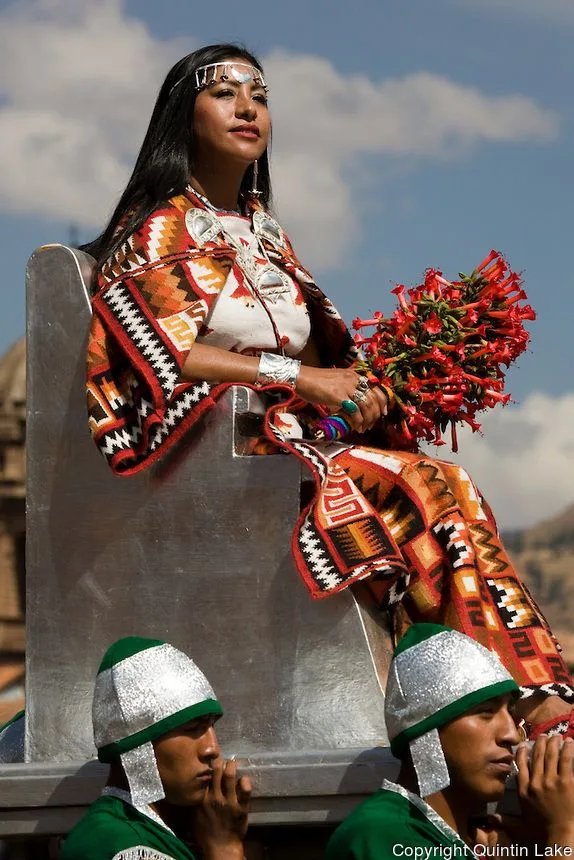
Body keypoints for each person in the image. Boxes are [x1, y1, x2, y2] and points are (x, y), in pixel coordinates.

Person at [84, 43, 573, 735]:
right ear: (182, 117)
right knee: (420, 490)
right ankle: (514, 701)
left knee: (449, 484)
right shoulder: (158, 230)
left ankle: (507, 687)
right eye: (223, 93)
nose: (247, 108)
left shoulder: (267, 236)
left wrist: (363, 390)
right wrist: (301, 378)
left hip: (294, 440)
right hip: (210, 460)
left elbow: (320, 357)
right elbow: (166, 356)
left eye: (259, 95)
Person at [324, 623, 574, 860]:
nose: (511, 734)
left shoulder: (459, 839)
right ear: (427, 727)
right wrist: (564, 832)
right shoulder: (384, 834)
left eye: (511, 713)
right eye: (485, 712)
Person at [60, 636, 251, 860]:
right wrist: (225, 847)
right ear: (139, 746)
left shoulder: (159, 831)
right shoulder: (118, 844)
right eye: (192, 729)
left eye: (211, 726)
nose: (212, 749)